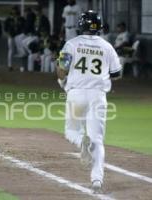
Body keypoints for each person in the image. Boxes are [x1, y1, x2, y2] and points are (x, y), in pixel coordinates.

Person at [56, 10, 121, 193]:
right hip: (98, 95)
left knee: (71, 130)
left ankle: (80, 142)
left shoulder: (71, 44)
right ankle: (97, 180)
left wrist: (62, 82)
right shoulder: (107, 46)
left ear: (80, 25)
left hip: (76, 94)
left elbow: (62, 69)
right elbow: (116, 74)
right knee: (98, 140)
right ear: (99, 27)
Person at [4, 6, 25, 71]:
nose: (14, 13)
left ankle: (21, 66)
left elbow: (24, 27)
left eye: (15, 12)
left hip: (19, 37)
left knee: (20, 51)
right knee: (11, 51)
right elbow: (5, 28)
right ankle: (10, 66)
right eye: (13, 12)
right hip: (11, 36)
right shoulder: (9, 19)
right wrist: (8, 34)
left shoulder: (21, 19)